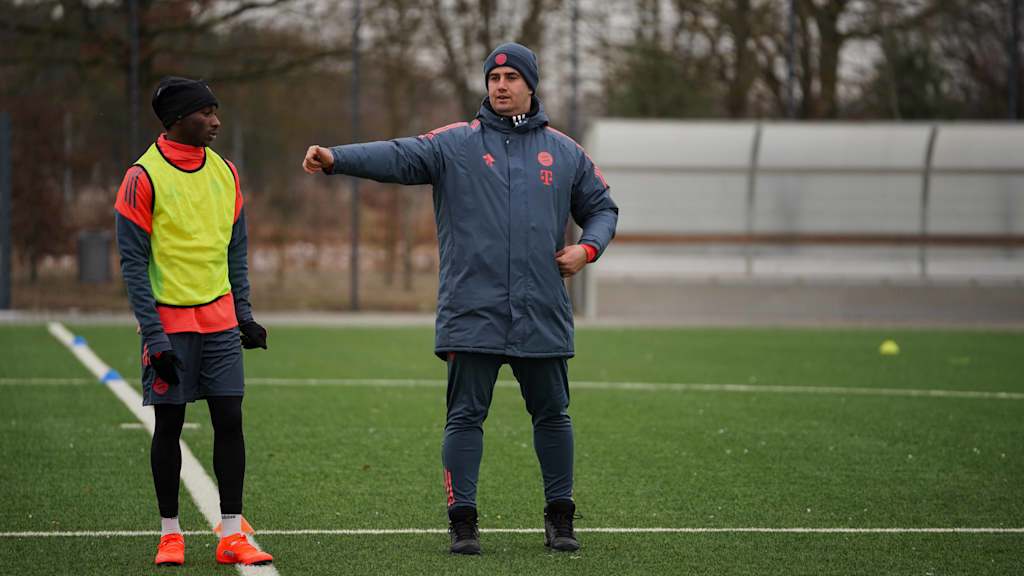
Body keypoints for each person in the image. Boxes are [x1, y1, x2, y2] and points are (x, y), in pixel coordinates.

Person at [302, 42, 618, 554]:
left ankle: (561, 518)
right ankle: (463, 521)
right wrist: (337, 158)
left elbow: (603, 208)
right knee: (465, 416)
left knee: (554, 414)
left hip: (541, 309)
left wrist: (587, 249)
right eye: (494, 78)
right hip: (474, 308)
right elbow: (399, 154)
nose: (501, 85)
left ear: (530, 85)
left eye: (512, 77)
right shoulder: (455, 144)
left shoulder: (564, 152)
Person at [114, 76, 273, 567]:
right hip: (169, 327)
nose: (216, 121)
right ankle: (170, 533)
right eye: (206, 112)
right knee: (170, 424)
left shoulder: (226, 172)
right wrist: (154, 336)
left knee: (230, 420)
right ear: (177, 119)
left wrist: (243, 314)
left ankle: (231, 533)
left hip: (220, 322)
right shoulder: (142, 177)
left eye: (216, 110)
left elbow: (236, 250)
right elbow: (133, 264)